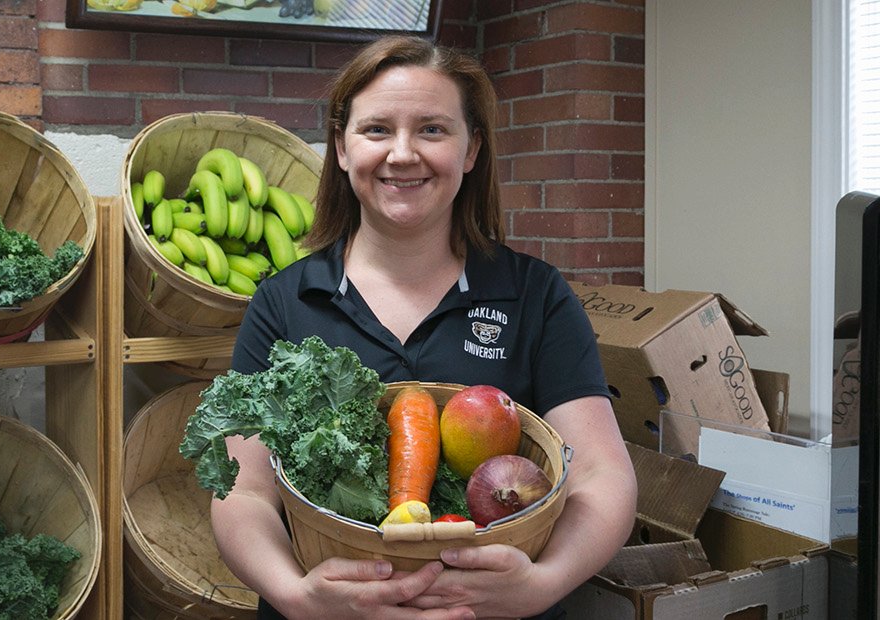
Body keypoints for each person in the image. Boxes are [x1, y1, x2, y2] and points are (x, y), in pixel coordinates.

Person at [210, 35, 638, 620]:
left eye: (433, 130)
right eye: (377, 130)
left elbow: (600, 473)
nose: (403, 154)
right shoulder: (286, 301)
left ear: (471, 150)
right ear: (341, 147)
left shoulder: (535, 295)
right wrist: (295, 595)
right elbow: (245, 491)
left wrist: (542, 584)